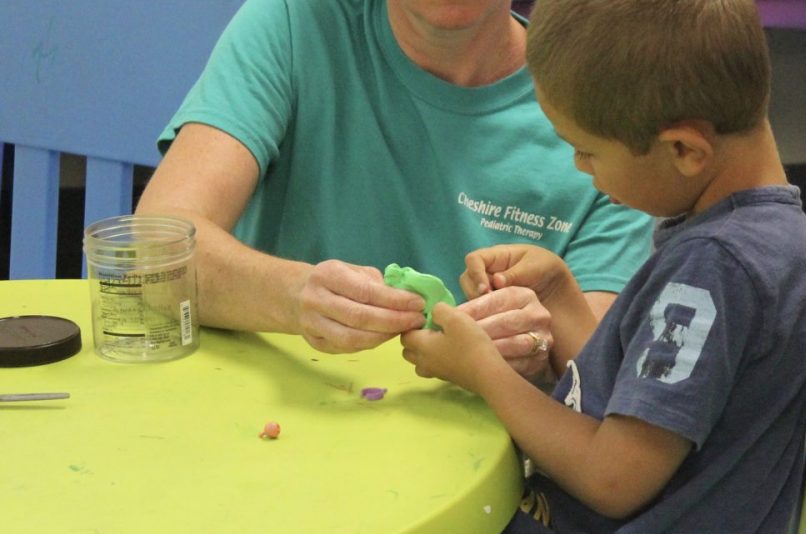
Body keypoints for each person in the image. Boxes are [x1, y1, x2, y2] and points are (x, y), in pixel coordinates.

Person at [400, 0, 806, 534]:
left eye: (588, 152)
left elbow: (614, 476)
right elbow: (646, 399)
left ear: (683, 150)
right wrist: (563, 298)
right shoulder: (743, 233)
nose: (579, 168)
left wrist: (485, 373)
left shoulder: (716, 271)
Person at [134, 0, 652, 381]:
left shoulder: (605, 119)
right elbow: (151, 253)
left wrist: (535, 350)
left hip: (482, 480)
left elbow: (598, 386)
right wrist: (294, 297)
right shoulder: (296, 21)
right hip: (267, 432)